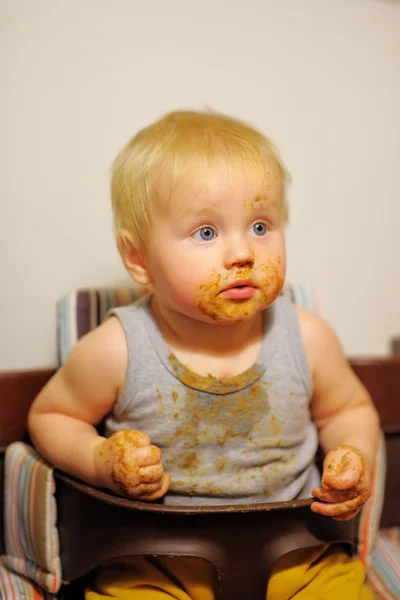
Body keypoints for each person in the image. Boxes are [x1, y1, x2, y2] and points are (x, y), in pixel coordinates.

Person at [28, 110, 380, 599]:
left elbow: (349, 408)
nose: (242, 253)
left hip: (299, 554)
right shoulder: (117, 349)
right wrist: (100, 460)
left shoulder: (307, 337)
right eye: (207, 233)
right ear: (139, 260)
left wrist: (353, 456)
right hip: (155, 559)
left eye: (260, 226)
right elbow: (50, 415)